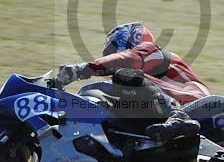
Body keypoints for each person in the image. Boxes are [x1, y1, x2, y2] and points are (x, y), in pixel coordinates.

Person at [57, 21, 210, 141]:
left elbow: (128, 60)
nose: (110, 57)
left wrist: (82, 69)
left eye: (112, 51)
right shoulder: (143, 85)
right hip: (168, 114)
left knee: (125, 76)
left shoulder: (152, 51)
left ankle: (179, 117)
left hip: (196, 104)